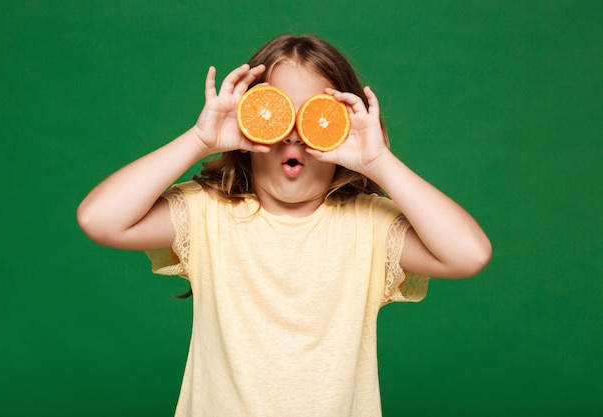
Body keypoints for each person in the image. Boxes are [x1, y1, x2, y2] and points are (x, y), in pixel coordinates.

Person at [77, 34, 492, 417]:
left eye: (314, 115)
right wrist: (199, 140)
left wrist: (379, 162)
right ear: (248, 120)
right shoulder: (208, 214)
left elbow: (469, 254)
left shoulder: (368, 226)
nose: (293, 134)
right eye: (277, 112)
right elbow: (99, 219)